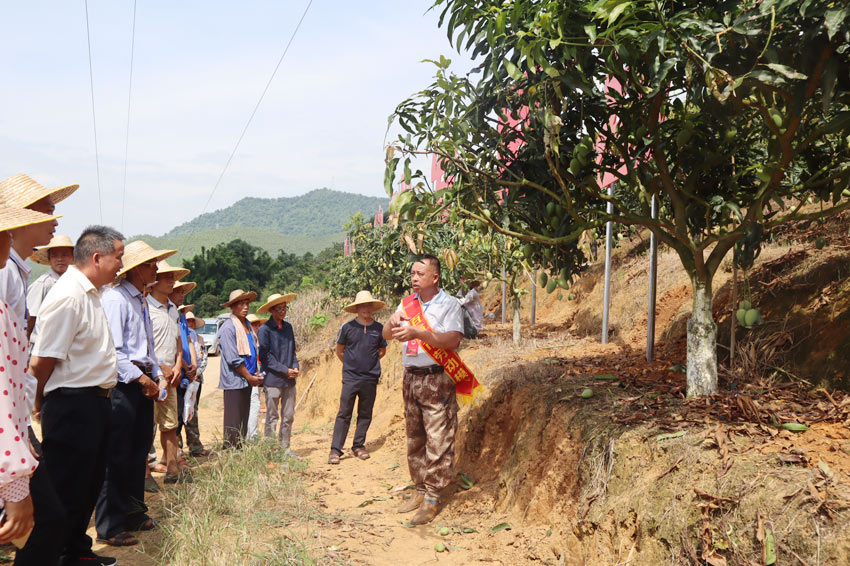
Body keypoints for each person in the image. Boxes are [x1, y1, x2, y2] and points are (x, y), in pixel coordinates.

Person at [30, 226, 124, 566]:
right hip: (72, 404)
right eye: (118, 257)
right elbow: (42, 360)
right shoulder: (69, 295)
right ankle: (52, 556)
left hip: (93, 403)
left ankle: (75, 551)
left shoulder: (90, 294)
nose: (120, 265)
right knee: (66, 487)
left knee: (87, 482)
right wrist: (38, 402)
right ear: (97, 258)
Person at [383, 254, 482, 525]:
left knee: (439, 438)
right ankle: (420, 489)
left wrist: (419, 334)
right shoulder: (407, 303)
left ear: (435, 277)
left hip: (436, 378)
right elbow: (385, 335)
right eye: (412, 273)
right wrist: (391, 322)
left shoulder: (449, 304)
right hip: (411, 378)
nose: (414, 278)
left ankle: (433, 497)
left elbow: (453, 340)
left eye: (420, 274)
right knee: (415, 437)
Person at [96, 241, 172, 547]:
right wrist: (143, 378)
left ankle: (133, 512)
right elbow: (114, 351)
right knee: (117, 455)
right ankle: (110, 524)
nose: (155, 268)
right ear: (136, 269)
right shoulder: (115, 300)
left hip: (141, 383)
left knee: (138, 451)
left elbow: (146, 349)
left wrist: (154, 374)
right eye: (151, 264)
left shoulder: (139, 299)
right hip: (124, 386)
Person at [0, 204, 64, 566]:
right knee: (46, 521)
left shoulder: (15, 271)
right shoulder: (8, 273)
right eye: (47, 212)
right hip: (9, 426)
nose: (54, 222)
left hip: (14, 422)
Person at [329, 291, 387, 465]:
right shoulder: (347, 328)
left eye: (369, 305)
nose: (366, 309)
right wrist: (350, 365)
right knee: (344, 413)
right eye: (362, 306)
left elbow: (382, 351)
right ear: (357, 309)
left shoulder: (379, 329)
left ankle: (358, 446)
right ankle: (335, 450)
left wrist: (369, 364)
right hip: (351, 378)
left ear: (372, 308)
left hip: (370, 378)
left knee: (365, 413)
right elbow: (340, 351)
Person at [147, 260, 187, 484]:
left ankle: (173, 468)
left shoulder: (173, 309)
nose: (171, 280)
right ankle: (144, 473)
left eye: (172, 276)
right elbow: (143, 344)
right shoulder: (146, 307)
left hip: (171, 376)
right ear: (155, 281)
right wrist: (161, 366)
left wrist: (179, 364)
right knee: (147, 426)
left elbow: (178, 341)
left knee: (170, 423)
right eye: (166, 276)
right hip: (151, 376)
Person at [256, 293, 300, 458]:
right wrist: (285, 370)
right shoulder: (264, 330)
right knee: (272, 416)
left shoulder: (288, 327)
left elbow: (293, 352)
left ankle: (285, 448)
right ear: (272, 310)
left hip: (289, 380)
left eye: (284, 308)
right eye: (279, 308)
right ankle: (270, 450)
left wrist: (295, 367)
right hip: (273, 380)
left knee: (288, 416)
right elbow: (266, 358)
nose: (282, 311)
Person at [217, 289, 263, 448]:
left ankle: (239, 449)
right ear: (232, 307)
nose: (245, 307)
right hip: (235, 380)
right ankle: (230, 452)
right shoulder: (228, 328)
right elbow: (233, 359)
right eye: (241, 304)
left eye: (247, 303)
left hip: (247, 380)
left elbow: (252, 351)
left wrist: (253, 374)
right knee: (233, 420)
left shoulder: (248, 325)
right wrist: (248, 376)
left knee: (243, 418)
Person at [27, 234, 75, 335]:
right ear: (49, 258)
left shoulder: (74, 282)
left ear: (72, 257)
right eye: (55, 255)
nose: (60, 259)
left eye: (64, 255)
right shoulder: (43, 284)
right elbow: (31, 317)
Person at [176, 310, 206, 456]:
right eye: (188, 320)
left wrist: (195, 370)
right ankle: (178, 448)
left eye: (192, 321)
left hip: (194, 378)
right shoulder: (174, 325)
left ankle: (195, 446)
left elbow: (201, 357)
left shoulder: (195, 336)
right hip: (180, 376)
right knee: (178, 413)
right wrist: (186, 367)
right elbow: (175, 350)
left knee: (192, 411)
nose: (190, 323)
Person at [245, 314, 267, 442]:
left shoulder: (259, 340)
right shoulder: (248, 340)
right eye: (254, 324)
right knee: (254, 405)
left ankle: (251, 434)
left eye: (258, 324)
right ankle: (251, 436)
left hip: (257, 378)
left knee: (255, 404)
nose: (257, 327)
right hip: (250, 377)